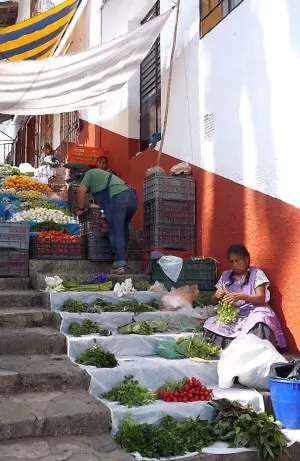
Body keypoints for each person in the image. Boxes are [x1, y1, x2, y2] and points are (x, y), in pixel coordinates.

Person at [203, 244, 286, 349]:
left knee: (259, 320)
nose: (234, 265)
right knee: (212, 324)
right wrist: (216, 295)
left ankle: (256, 351)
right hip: (234, 314)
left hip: (254, 310)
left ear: (246, 259)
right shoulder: (226, 275)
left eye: (237, 261)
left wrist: (242, 296)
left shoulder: (256, 273)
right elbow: (213, 301)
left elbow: (261, 297)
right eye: (231, 262)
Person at [77, 168, 138, 274]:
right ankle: (121, 260)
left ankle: (120, 265)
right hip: (132, 198)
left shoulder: (89, 173)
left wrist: (81, 209)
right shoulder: (104, 178)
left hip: (119, 198)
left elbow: (80, 191)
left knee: (115, 231)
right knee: (123, 230)